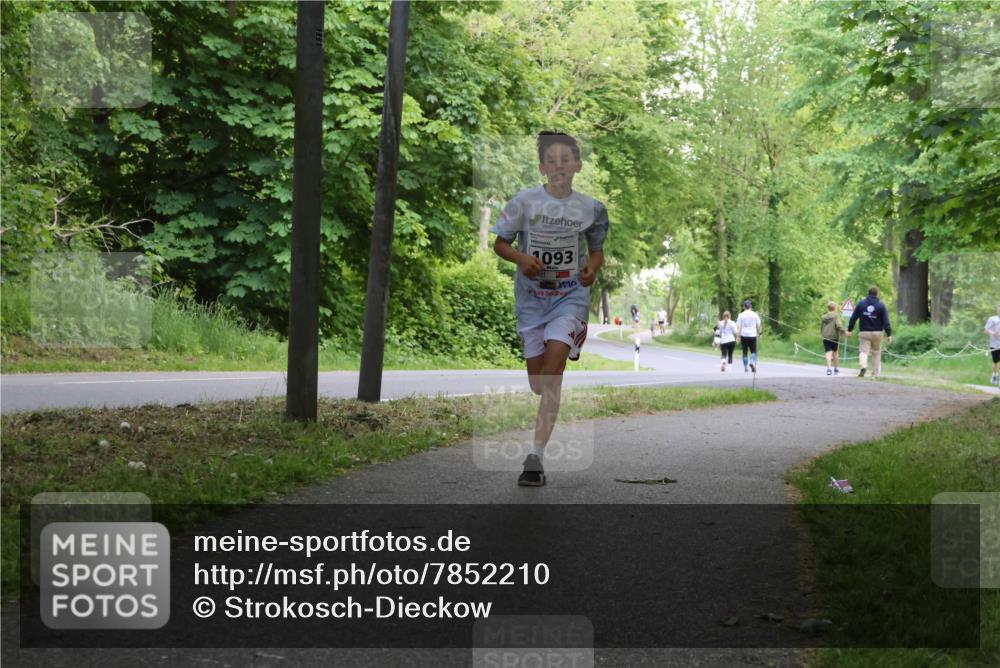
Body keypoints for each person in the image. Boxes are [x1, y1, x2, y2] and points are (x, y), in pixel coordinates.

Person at [493, 131, 608, 487]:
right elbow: (500, 243)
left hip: (569, 297)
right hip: (531, 300)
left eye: (566, 160)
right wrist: (521, 258)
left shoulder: (592, 209)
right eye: (551, 160)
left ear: (577, 165)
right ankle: (541, 434)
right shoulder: (524, 203)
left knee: (555, 365)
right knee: (540, 383)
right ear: (543, 166)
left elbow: (597, 250)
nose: (559, 166)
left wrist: (592, 267)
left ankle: (535, 458)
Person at [847, 286, 892, 378]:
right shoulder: (881, 305)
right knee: (876, 353)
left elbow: (853, 318)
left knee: (863, 351)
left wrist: (849, 330)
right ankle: (874, 374)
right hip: (877, 333)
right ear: (877, 294)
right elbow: (886, 321)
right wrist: (889, 334)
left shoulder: (861, 304)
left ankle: (863, 366)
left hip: (864, 332)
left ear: (868, 293)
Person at [735, 299, 762, 373]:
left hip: (744, 335)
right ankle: (752, 361)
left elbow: (738, 327)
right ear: (751, 306)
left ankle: (746, 366)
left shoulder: (741, 315)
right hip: (752, 335)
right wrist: (760, 333)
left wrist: (738, 336)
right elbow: (758, 325)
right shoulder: (755, 314)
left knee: (744, 352)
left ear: (744, 307)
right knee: (754, 351)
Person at [821, 301, 846, 376]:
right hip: (834, 337)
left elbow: (821, 327)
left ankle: (829, 369)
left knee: (828, 352)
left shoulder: (823, 317)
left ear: (828, 308)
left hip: (825, 336)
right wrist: (843, 332)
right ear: (835, 308)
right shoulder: (836, 316)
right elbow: (838, 325)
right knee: (835, 352)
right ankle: (836, 369)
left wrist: (822, 335)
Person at [985, 305, 1000, 386]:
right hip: (994, 344)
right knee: (995, 362)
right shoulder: (992, 319)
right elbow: (986, 330)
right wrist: (993, 333)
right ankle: (994, 375)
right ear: (997, 310)